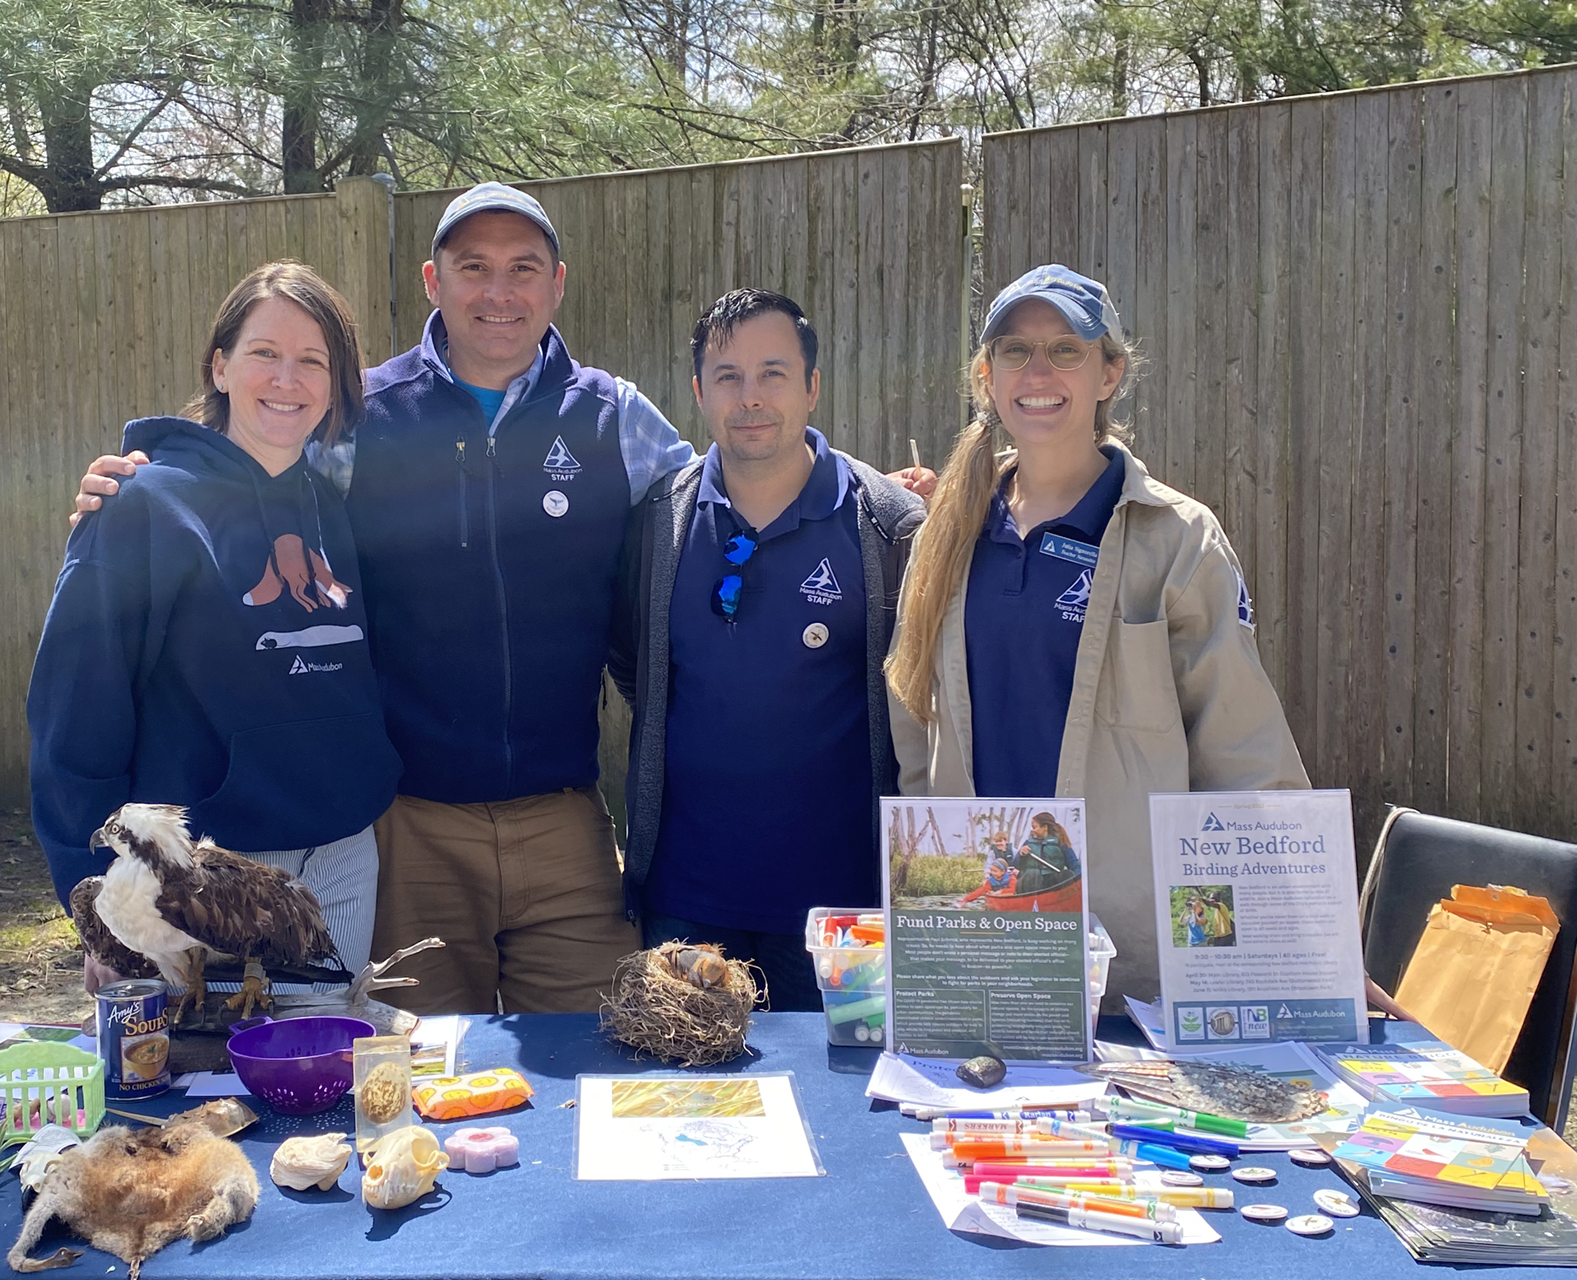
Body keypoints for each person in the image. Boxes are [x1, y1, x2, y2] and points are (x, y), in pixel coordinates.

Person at [71, 185, 694, 1015]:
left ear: (558, 285)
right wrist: (144, 481)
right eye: (473, 268)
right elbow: (251, 483)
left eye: (523, 269)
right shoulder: (361, 415)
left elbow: (721, 501)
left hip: (565, 820)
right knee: (410, 1072)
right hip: (408, 826)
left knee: (599, 1056)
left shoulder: (612, 415)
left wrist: (890, 503)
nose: (498, 293)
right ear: (434, 282)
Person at [885, 264, 1308, 1004]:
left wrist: (1293, 945)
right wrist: (932, 899)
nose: (1038, 371)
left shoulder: (1177, 540)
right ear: (988, 376)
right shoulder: (944, 536)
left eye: (1067, 350)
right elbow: (915, 726)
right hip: (981, 941)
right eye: (1015, 350)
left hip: (1130, 964)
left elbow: (1241, 759)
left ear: (1110, 373)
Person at [29, 262, 402, 992]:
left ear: (334, 385)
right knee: (194, 1095)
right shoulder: (143, 507)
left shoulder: (332, 506)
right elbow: (72, 718)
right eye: (265, 353)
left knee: (318, 1081)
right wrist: (99, 902)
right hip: (200, 879)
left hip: (341, 859)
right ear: (221, 365)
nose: (287, 380)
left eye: (312, 361)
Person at [609, 289, 926, 1011]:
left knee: (841, 1115)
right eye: (728, 377)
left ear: (813, 386)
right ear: (698, 392)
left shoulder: (890, 528)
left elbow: (922, 700)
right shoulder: (658, 525)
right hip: (685, 903)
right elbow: (636, 665)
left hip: (842, 917)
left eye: (773, 374)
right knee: (684, 1106)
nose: (750, 398)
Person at [1013, 812, 1079, 895]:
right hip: (1031, 884)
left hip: (1051, 882)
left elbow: (1074, 864)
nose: (1032, 830)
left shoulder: (1060, 842)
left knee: (1067, 874)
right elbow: (1015, 864)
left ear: (1044, 827)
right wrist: (1021, 855)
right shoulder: (1028, 843)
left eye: (1034, 827)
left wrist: (1079, 880)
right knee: (1033, 874)